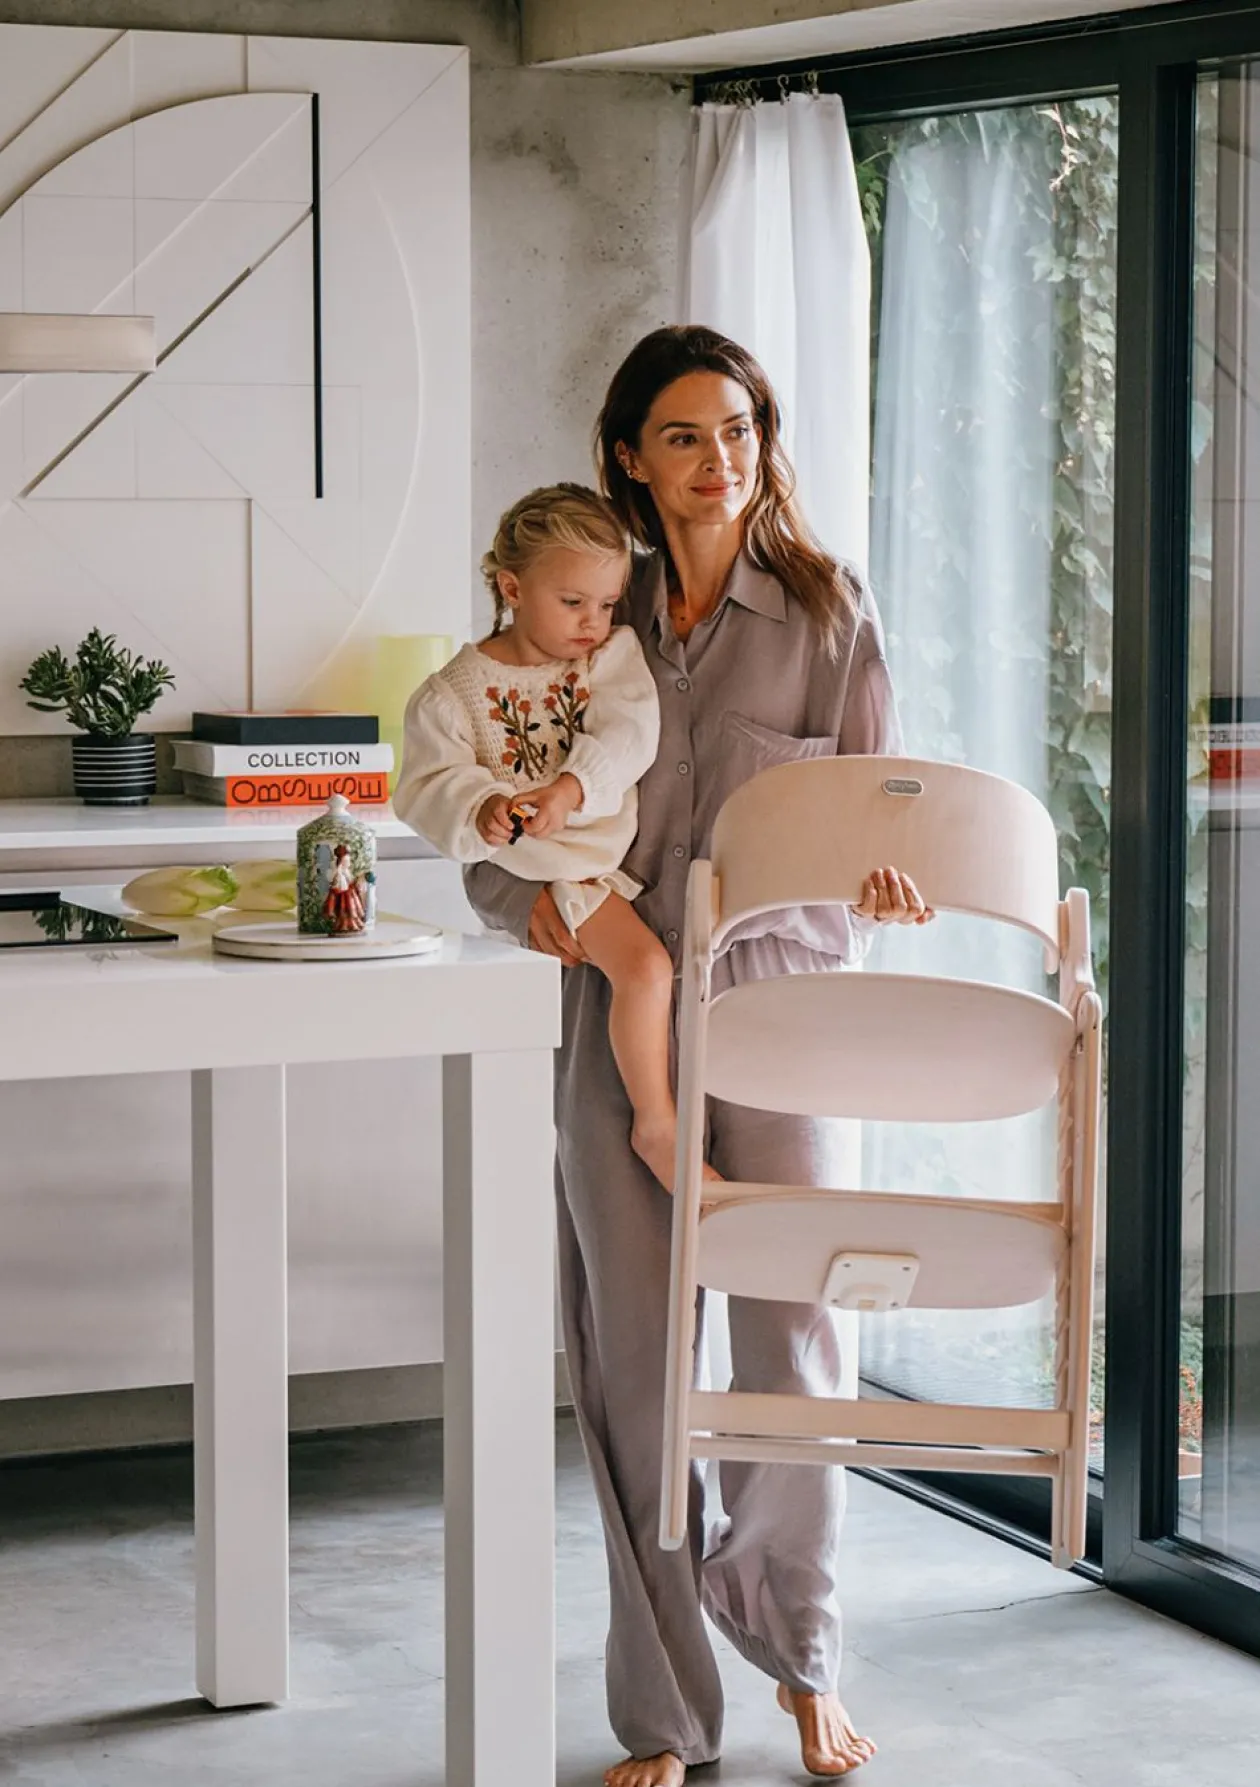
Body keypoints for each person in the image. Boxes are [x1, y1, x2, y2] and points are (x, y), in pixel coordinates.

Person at [464, 327, 933, 1786]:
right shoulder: (577, 607)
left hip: (783, 1011)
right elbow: (482, 815)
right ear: (629, 454)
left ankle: (802, 1657)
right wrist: (534, 906)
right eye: (682, 433)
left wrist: (890, 875)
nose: (718, 457)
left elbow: (886, 809)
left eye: (737, 427)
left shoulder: (827, 609)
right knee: (632, 1359)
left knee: (796, 1338)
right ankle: (668, 1707)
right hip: (617, 1005)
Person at [395, 483, 713, 1189]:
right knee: (646, 971)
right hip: (551, 871)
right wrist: (481, 806)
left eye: (607, 603)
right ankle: (656, 1124)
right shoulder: (451, 694)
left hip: (599, 861)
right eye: (573, 603)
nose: (593, 622)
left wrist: (570, 789)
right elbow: (424, 784)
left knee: (615, 996)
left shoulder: (607, 658)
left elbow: (630, 733)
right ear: (513, 587)